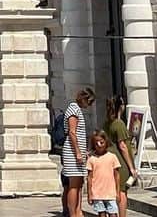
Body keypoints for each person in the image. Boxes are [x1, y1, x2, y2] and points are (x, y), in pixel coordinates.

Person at [62, 88, 95, 217]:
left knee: (79, 183)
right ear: (84, 99)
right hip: (72, 153)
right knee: (74, 185)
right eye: (89, 102)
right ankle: (73, 213)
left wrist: (83, 151)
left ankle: (78, 211)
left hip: (78, 153)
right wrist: (77, 152)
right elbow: (72, 132)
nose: (90, 105)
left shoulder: (77, 110)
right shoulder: (73, 109)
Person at [104, 97, 137, 217]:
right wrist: (131, 167)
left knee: (112, 191)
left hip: (109, 161)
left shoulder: (106, 123)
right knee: (122, 191)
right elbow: (122, 146)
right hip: (120, 162)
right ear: (120, 106)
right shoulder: (119, 124)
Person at [86, 131, 122, 216]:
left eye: (101, 142)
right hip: (97, 194)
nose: (99, 145)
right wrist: (89, 194)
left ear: (106, 142)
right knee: (101, 214)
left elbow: (117, 175)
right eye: (96, 143)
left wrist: (117, 192)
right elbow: (89, 178)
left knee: (113, 213)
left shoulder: (112, 157)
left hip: (111, 193)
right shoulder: (92, 159)